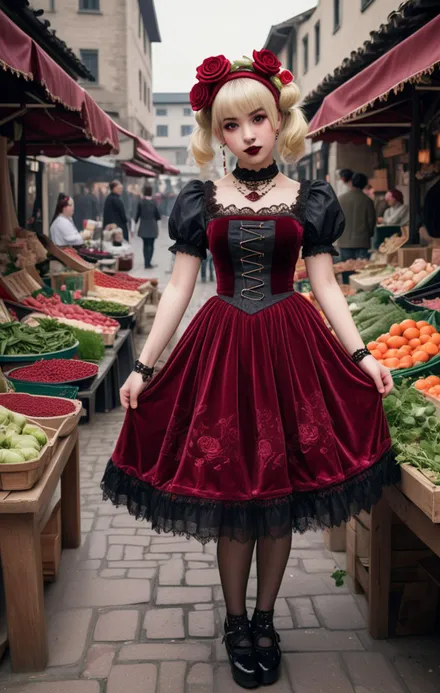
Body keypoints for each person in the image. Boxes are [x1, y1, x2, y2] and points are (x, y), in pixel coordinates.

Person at [101, 48, 398, 689]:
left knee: (280, 497)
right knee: (236, 493)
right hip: (225, 347)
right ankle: (236, 621)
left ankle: (267, 617)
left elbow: (327, 286)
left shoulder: (311, 197)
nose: (246, 135)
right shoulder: (199, 199)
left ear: (278, 119)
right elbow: (180, 290)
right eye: (230, 126)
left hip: (291, 346)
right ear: (218, 134)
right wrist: (144, 367)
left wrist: (363, 354)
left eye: (256, 119)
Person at [337, 172, 376, 260]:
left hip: (344, 241)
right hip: (362, 241)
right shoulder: (368, 201)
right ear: (365, 184)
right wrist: (369, 234)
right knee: (360, 269)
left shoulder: (341, 199)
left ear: (351, 182)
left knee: (345, 268)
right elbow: (371, 222)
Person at [135, 185, 161, 269]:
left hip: (143, 226)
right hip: (152, 226)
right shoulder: (154, 202)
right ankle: (149, 262)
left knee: (145, 245)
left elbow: (137, 215)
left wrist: (134, 224)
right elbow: (158, 215)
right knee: (151, 244)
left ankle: (146, 263)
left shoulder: (140, 202)